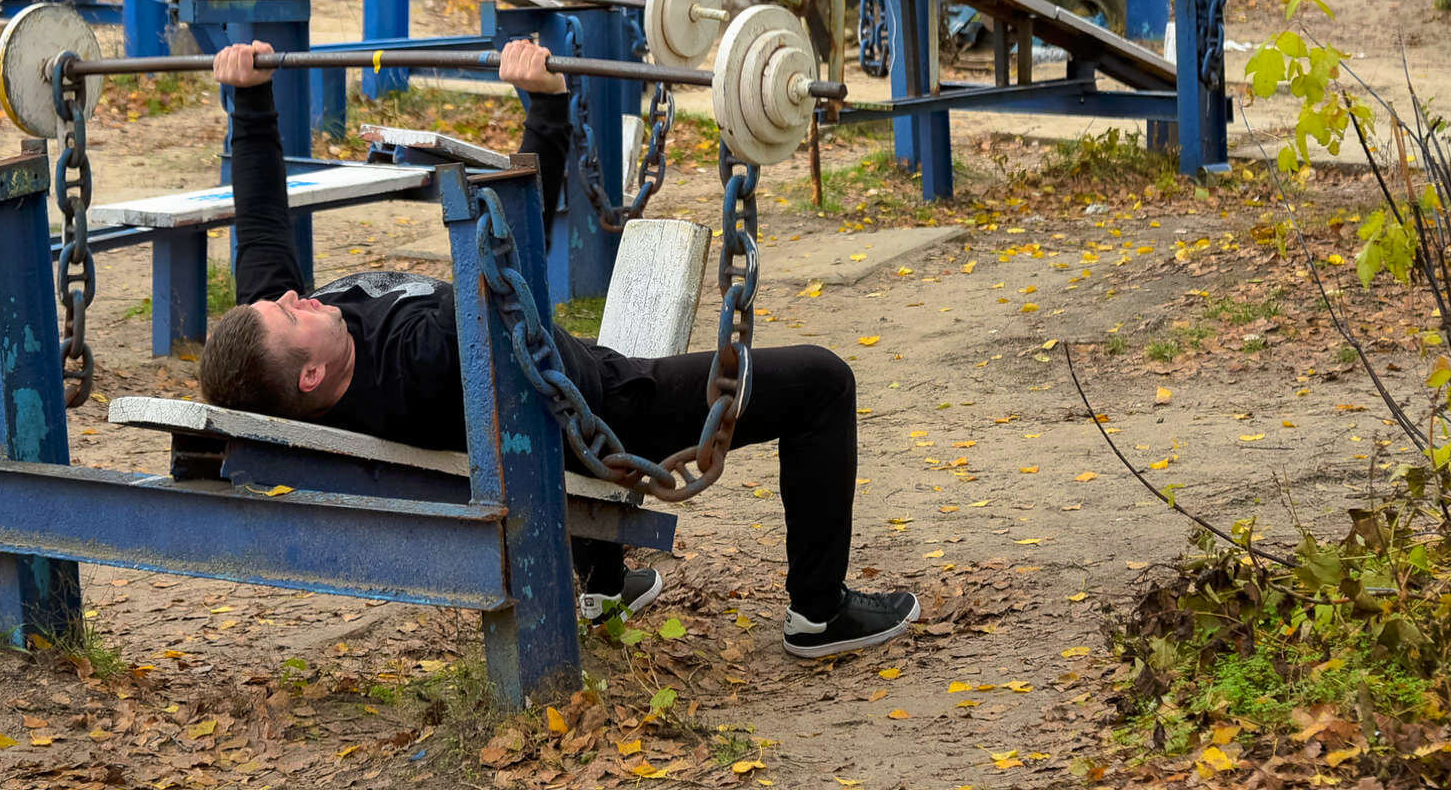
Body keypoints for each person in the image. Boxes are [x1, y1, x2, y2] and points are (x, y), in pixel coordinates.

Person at [197, 38, 919, 658]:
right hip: (605, 408)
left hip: (546, 398)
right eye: (290, 315)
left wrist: (250, 102)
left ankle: (607, 584)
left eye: (279, 299)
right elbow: (508, 250)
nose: (295, 298)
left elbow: (261, 224)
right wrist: (544, 107)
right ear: (315, 373)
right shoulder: (418, 362)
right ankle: (819, 614)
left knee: (540, 400)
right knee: (823, 381)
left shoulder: (286, 357)